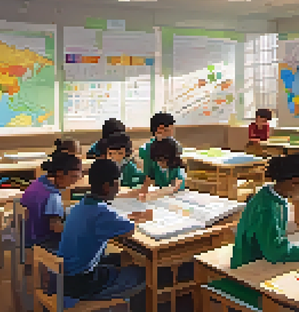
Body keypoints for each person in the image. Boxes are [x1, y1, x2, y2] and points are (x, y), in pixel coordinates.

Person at [207, 152, 299, 309]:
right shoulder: (267, 207)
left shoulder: (272, 195)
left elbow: (273, 239)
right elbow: (276, 252)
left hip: (260, 261)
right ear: (294, 182)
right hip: (249, 271)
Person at [59, 159, 151, 301]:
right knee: (144, 274)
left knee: (123, 257)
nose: (119, 188)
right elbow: (130, 230)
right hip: (82, 283)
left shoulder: (82, 204)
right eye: (118, 183)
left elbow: (110, 221)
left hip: (64, 276)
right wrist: (141, 218)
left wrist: (128, 218)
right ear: (108, 186)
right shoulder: (102, 212)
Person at [20, 150, 83, 252]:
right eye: (73, 177)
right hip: (41, 244)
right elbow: (56, 227)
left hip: (27, 239)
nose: (74, 182)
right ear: (59, 174)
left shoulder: (39, 182)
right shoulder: (53, 196)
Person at [138, 112, 181, 180]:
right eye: (166, 130)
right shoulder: (146, 149)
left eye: (171, 130)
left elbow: (179, 173)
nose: (170, 134)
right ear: (156, 131)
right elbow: (147, 174)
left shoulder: (176, 146)